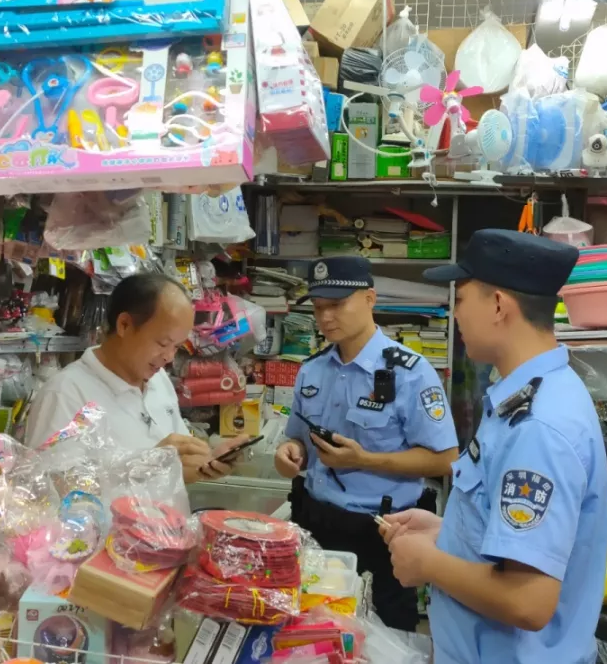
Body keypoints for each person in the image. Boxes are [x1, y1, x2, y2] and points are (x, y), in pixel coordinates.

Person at [381, 229, 607, 664]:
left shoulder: (538, 424)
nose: (455, 313)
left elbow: (528, 601)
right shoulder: (523, 396)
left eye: (462, 298)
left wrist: (428, 564)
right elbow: (515, 536)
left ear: (499, 305)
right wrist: (447, 535)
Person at [274, 256, 459, 631]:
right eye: (318, 307)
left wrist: (365, 460)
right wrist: (289, 452)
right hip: (315, 525)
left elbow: (445, 459)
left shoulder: (411, 373)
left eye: (337, 305)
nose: (326, 317)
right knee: (312, 635)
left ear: (370, 299)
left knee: (386, 640)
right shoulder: (312, 369)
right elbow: (298, 440)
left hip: (382, 532)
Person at [25, 272, 237, 483]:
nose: (169, 357)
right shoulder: (65, 395)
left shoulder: (159, 381)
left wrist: (207, 464)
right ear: (124, 325)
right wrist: (144, 465)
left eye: (177, 347)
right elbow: (51, 488)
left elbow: (174, 472)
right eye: (163, 343)